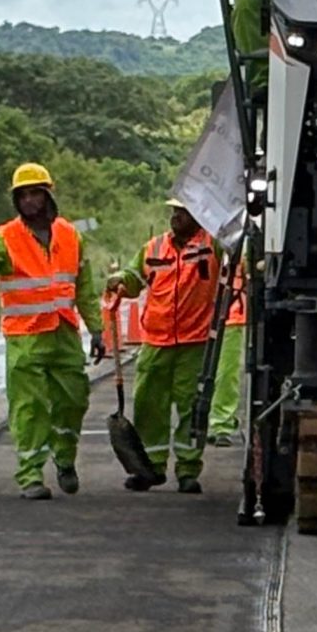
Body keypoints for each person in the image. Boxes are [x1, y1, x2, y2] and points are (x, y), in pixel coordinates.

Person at [0, 162, 93, 499]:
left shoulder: (70, 235)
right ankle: (31, 476)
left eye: (35, 192)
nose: (29, 200)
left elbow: (85, 291)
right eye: (22, 194)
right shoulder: (4, 237)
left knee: (74, 400)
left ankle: (65, 458)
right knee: (29, 408)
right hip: (25, 339)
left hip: (64, 336)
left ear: (48, 195)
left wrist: (100, 332)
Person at [104, 200, 221, 495]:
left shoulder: (214, 245)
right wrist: (120, 280)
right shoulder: (154, 248)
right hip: (156, 341)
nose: (175, 217)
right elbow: (134, 278)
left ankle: (188, 469)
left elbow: (240, 260)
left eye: (182, 212)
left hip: (194, 344)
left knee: (191, 406)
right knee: (148, 404)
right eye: (174, 212)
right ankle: (151, 467)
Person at [208, 265, 248, 446]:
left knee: (225, 374)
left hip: (231, 316)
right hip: (198, 316)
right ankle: (202, 422)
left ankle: (221, 424)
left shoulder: (238, 244)